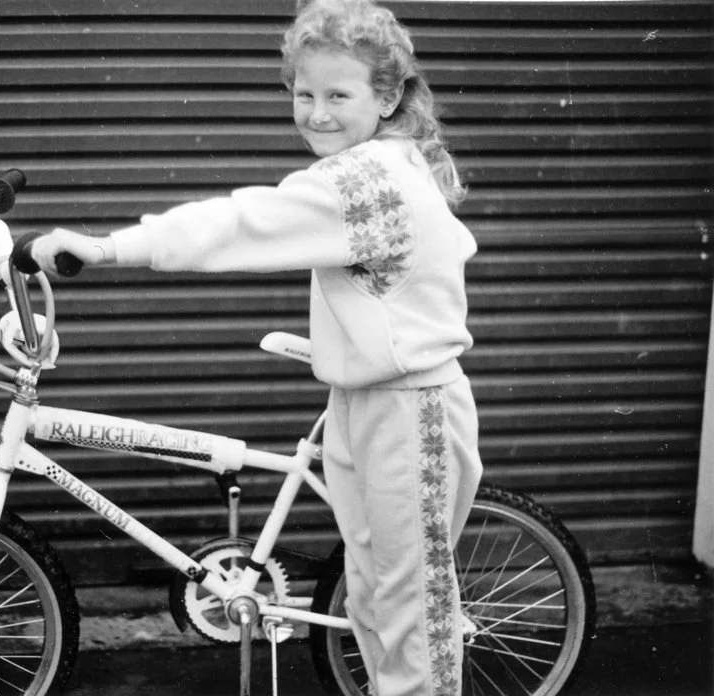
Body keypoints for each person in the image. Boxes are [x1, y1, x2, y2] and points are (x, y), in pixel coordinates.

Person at [29, 1, 482, 694]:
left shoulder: (369, 180)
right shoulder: (383, 162)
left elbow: (244, 223)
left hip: (408, 409)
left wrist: (106, 247)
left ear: (388, 96)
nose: (317, 113)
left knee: (409, 614)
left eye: (339, 94)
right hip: (366, 399)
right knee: (372, 599)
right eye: (304, 94)